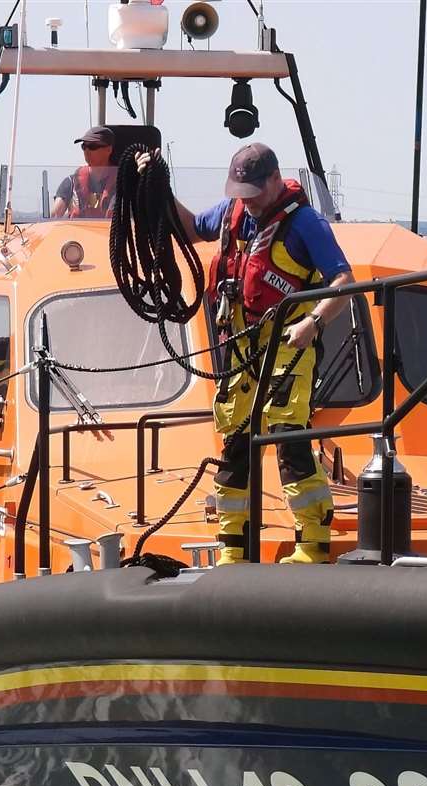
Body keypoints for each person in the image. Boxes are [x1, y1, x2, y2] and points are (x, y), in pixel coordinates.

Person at [152, 142, 356, 564]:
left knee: (290, 443)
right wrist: (158, 184)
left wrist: (312, 323)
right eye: (239, 190)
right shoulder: (232, 214)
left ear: (274, 181)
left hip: (288, 349)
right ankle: (234, 550)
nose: (246, 200)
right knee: (235, 448)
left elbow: (343, 281)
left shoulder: (306, 223)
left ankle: (313, 548)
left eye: (252, 191)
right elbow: (189, 227)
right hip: (241, 350)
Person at [50, 126, 117, 219]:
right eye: (84, 146)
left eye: (92, 147)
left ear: (108, 149)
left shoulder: (122, 183)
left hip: (109, 232)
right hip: (78, 232)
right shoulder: (71, 182)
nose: (87, 151)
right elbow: (54, 216)